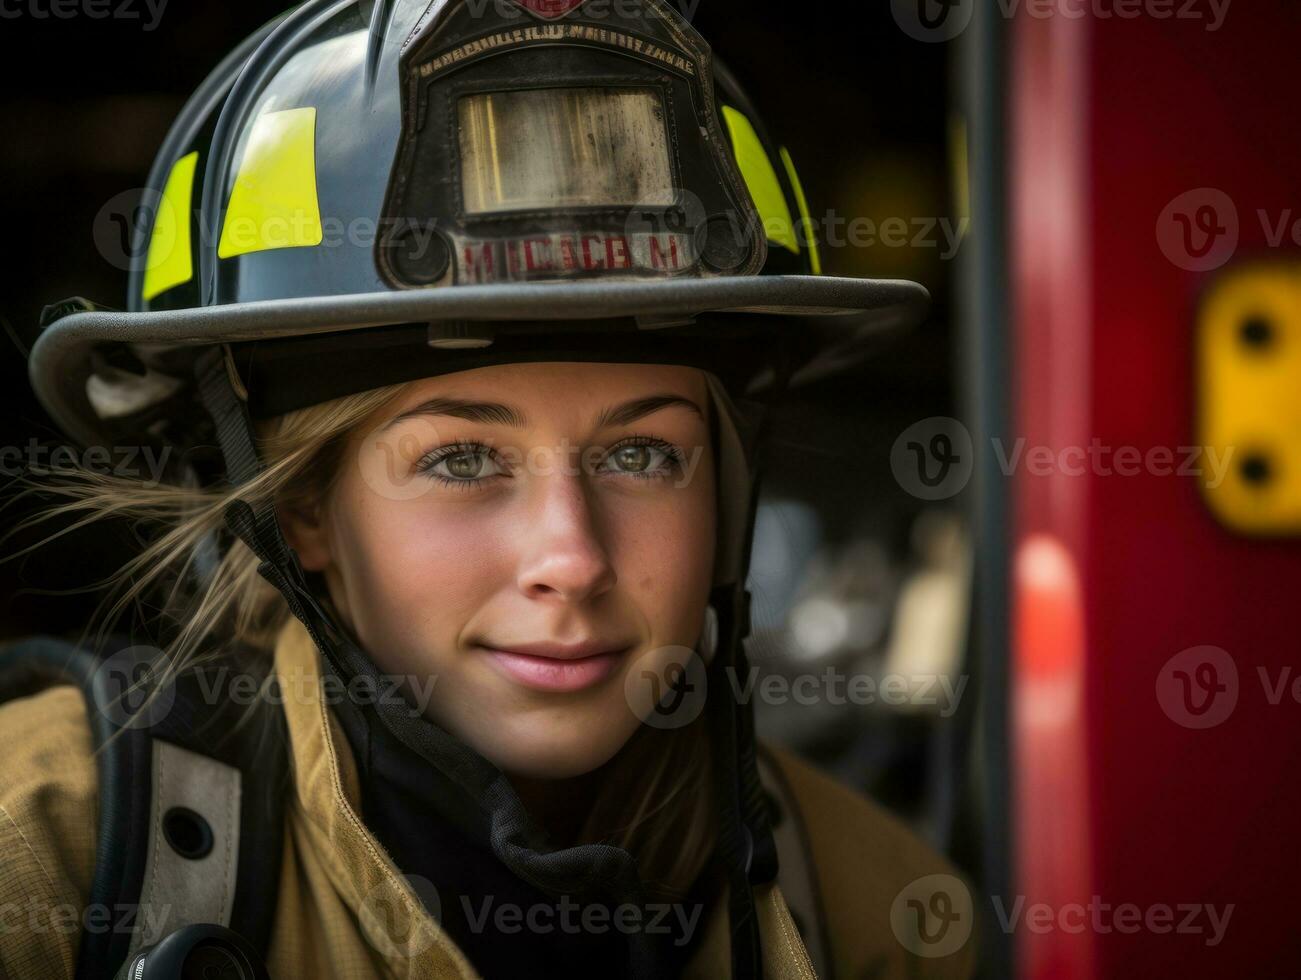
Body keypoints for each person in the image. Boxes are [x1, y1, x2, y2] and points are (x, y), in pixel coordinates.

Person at [0, 1, 976, 978]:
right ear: (297, 508)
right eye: (462, 459)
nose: (572, 559)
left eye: (641, 456)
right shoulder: (49, 862)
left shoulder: (875, 913)